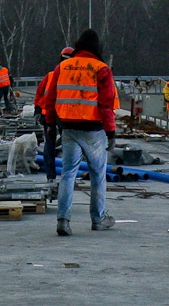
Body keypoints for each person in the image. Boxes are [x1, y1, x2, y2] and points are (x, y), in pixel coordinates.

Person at [44, 29, 116, 236]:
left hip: (68, 128)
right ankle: (98, 219)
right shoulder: (101, 68)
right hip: (93, 130)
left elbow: (51, 99)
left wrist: (51, 124)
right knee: (98, 175)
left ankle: (63, 220)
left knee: (68, 174)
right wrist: (111, 132)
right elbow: (106, 104)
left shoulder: (62, 67)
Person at [34, 47, 73, 181]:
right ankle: (67, 176)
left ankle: (51, 176)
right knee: (68, 146)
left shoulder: (51, 75)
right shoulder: (74, 77)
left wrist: (37, 110)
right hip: (64, 116)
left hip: (49, 115)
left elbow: (40, 94)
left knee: (50, 145)